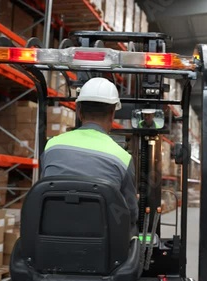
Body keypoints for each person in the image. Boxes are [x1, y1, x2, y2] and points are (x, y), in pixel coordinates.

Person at [40, 77, 138, 237]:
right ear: (113, 114)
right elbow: (131, 213)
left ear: (78, 112)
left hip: (51, 238)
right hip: (102, 248)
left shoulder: (52, 146)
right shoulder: (122, 157)